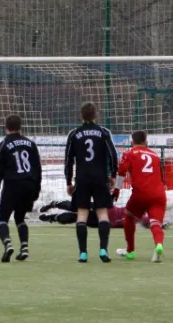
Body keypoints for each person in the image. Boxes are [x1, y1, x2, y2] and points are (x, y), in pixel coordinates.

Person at [64, 102, 118, 263]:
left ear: (81, 116)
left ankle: (83, 253)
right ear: (96, 115)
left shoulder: (74, 134)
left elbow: (68, 160)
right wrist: (113, 175)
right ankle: (103, 250)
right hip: (100, 178)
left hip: (82, 179)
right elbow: (113, 155)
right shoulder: (103, 132)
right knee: (102, 213)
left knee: (82, 214)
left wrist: (68, 180)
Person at [0, 115, 42, 263]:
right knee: (20, 217)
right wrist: (36, 189)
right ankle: (24, 247)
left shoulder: (4, 145)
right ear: (20, 127)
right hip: (29, 184)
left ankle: (8, 244)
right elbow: (38, 169)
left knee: (3, 218)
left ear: (6, 127)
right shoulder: (31, 144)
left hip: (12, 184)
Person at [112, 130, 166, 262]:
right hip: (159, 195)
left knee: (128, 217)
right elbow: (162, 178)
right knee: (155, 223)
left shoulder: (129, 154)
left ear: (132, 142)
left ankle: (130, 250)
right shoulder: (155, 155)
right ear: (146, 142)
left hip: (140, 194)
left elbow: (121, 173)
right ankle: (158, 245)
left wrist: (117, 190)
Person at [38, 199, 170, 229]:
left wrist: (159, 224)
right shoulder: (137, 211)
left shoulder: (140, 216)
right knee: (79, 207)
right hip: (107, 210)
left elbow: (148, 222)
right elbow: (148, 221)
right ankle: (54, 205)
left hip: (104, 221)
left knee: (77, 217)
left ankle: (52, 217)